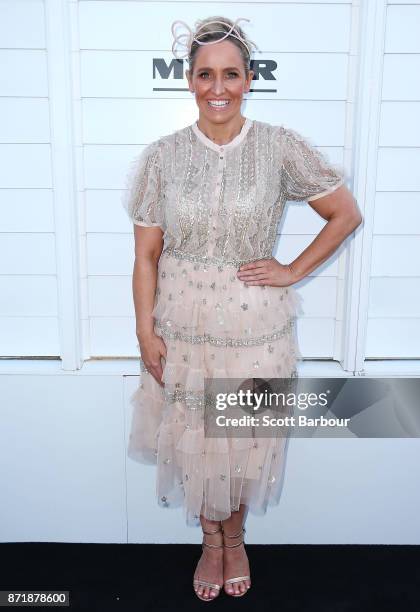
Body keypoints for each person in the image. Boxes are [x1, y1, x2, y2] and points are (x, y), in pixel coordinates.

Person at [122, 15, 362, 602]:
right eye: (206, 74)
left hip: (256, 326)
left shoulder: (279, 146)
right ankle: (211, 543)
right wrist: (144, 332)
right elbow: (146, 257)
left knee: (242, 433)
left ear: (250, 79)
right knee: (197, 436)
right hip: (182, 326)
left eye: (231, 73)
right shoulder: (162, 156)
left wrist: (293, 270)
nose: (218, 87)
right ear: (190, 80)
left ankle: (237, 539)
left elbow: (345, 214)